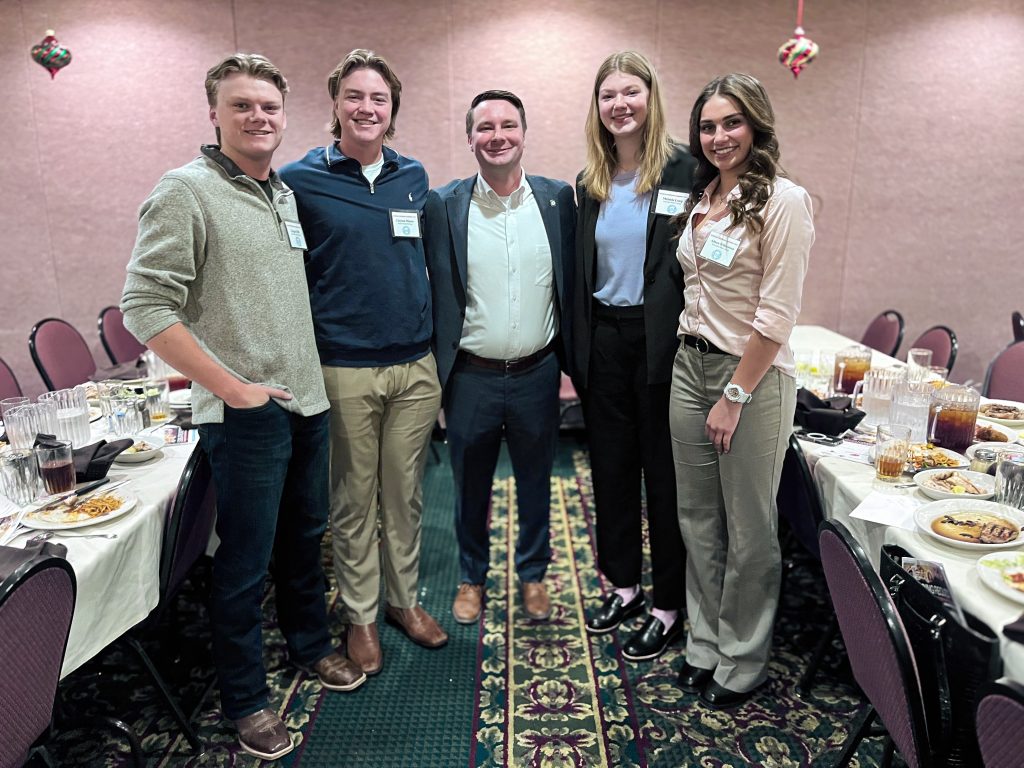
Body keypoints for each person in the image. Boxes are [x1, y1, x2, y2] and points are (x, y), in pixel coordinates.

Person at [121, 53, 365, 761]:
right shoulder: (185, 192)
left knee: (304, 541)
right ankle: (248, 699)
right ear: (214, 115)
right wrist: (234, 389)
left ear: (285, 116)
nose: (259, 118)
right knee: (243, 564)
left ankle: (312, 646)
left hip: (307, 401)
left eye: (269, 107)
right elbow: (145, 306)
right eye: (242, 106)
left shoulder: (281, 194)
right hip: (244, 414)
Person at [279, 49, 446, 678]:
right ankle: (360, 615)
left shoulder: (414, 176)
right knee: (353, 500)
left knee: (405, 497)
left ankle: (403, 602)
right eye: (355, 96)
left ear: (392, 109)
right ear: (335, 105)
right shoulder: (300, 179)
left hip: (415, 366)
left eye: (378, 98)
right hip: (343, 365)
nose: (366, 107)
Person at [669, 73, 814, 708]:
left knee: (750, 526)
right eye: (708, 126)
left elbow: (775, 317)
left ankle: (743, 653)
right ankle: (704, 640)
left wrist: (736, 395)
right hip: (687, 367)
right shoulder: (703, 197)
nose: (720, 136)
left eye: (732, 123)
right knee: (696, 518)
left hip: (747, 377)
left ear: (756, 125)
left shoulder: (784, 201)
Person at [424, 90, 575, 624]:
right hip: (471, 376)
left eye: (507, 125)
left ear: (524, 133)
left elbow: (573, 285)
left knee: (538, 479)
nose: (497, 136)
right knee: (469, 485)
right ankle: (471, 577)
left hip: (537, 371)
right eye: (485, 128)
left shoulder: (559, 201)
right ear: (470, 139)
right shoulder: (443, 205)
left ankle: (533, 574)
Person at [573, 51, 695, 661]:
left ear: (651, 97)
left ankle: (669, 605)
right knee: (611, 473)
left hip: (663, 344)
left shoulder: (686, 171)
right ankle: (622, 586)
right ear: (596, 107)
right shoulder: (589, 180)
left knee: (664, 481)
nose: (619, 104)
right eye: (607, 95)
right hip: (605, 342)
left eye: (631, 92)